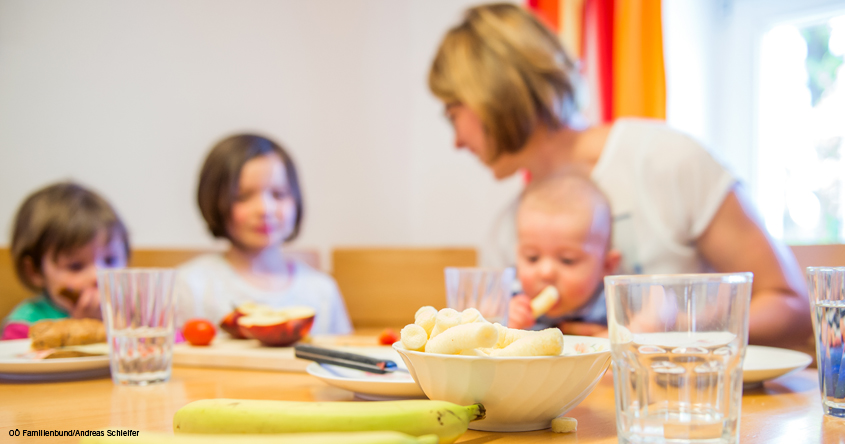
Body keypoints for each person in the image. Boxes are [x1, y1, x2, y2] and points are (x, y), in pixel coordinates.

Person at [428, 3, 810, 346]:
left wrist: (676, 326)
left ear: (489, 94)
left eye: (452, 114)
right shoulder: (505, 234)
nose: (457, 142)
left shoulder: (669, 161)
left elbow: (790, 306)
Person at [174, 134, 352, 335]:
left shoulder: (322, 291)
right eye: (242, 197)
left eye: (279, 194)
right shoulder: (189, 286)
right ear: (214, 201)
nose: (264, 209)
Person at [1, 182, 130, 340]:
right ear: (34, 271)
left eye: (110, 260)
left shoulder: (135, 315)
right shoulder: (23, 328)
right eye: (75, 266)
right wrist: (83, 328)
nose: (98, 276)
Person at [508, 173, 620, 335]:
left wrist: (618, 336)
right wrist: (506, 324)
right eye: (532, 258)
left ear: (607, 265)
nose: (546, 272)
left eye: (567, 260)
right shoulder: (510, 297)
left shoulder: (615, 306)